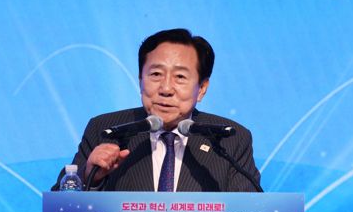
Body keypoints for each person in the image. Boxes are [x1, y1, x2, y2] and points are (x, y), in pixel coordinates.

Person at [52, 28, 261, 192]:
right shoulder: (106, 129)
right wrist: (91, 176)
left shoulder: (230, 139)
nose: (166, 89)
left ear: (202, 88)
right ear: (140, 79)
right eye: (155, 74)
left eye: (180, 77)